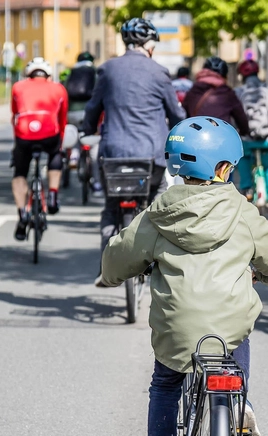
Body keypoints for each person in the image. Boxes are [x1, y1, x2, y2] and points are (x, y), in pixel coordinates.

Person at [100, 116, 268, 436]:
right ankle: (238, 400)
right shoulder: (243, 212)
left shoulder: (158, 214)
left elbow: (118, 255)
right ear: (224, 168)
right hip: (227, 327)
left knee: (166, 384)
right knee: (233, 337)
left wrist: (112, 276)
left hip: (177, 330)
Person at [83, 17, 186, 285]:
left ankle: (106, 267)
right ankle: (158, 260)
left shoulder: (107, 69)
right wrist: (180, 132)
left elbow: (93, 108)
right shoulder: (159, 72)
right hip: (150, 155)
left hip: (114, 153)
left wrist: (87, 128)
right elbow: (176, 113)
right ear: (150, 45)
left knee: (110, 207)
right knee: (158, 202)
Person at [10, 57, 69, 241]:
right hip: (49, 135)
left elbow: (15, 116)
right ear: (48, 75)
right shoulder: (59, 88)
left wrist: (17, 143)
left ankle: (22, 213)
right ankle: (52, 195)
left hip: (24, 136)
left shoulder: (17, 87)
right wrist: (59, 142)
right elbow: (62, 119)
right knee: (55, 154)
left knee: (20, 173)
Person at [234, 59, 268, 213]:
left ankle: (247, 189)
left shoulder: (238, 91)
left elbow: (235, 117)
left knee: (242, 159)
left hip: (247, 140)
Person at [182, 57, 250, 136]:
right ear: (225, 76)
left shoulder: (193, 91)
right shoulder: (227, 93)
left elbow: (183, 116)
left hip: (195, 137)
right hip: (221, 139)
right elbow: (241, 119)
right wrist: (244, 132)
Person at [65, 51, 102, 193]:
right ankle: (97, 183)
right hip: (89, 113)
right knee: (93, 147)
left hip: (72, 112)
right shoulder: (95, 73)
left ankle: (73, 155)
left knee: (74, 133)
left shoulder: (70, 73)